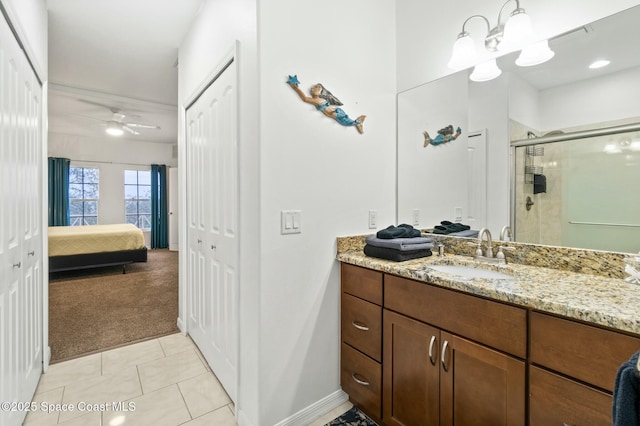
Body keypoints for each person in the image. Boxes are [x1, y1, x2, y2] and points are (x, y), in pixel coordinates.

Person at [287, 75, 366, 134]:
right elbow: (305, 98)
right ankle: (358, 123)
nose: (313, 89)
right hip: (335, 113)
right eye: (313, 88)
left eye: (317, 88)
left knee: (346, 122)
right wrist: (295, 88)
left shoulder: (317, 100)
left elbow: (304, 98)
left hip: (336, 113)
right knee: (347, 122)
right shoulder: (317, 100)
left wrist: (295, 88)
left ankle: (358, 123)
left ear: (321, 92)